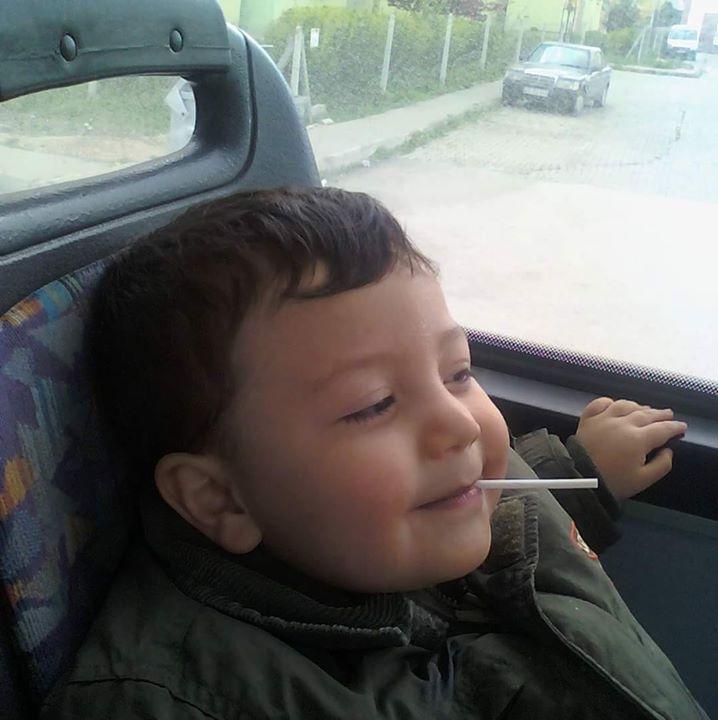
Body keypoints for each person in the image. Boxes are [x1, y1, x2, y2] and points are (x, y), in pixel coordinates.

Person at [42, 187, 704, 719]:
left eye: (459, 372)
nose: (460, 424)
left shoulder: (426, 506)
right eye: (372, 405)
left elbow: (516, 537)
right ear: (221, 499)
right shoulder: (176, 701)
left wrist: (583, 473)